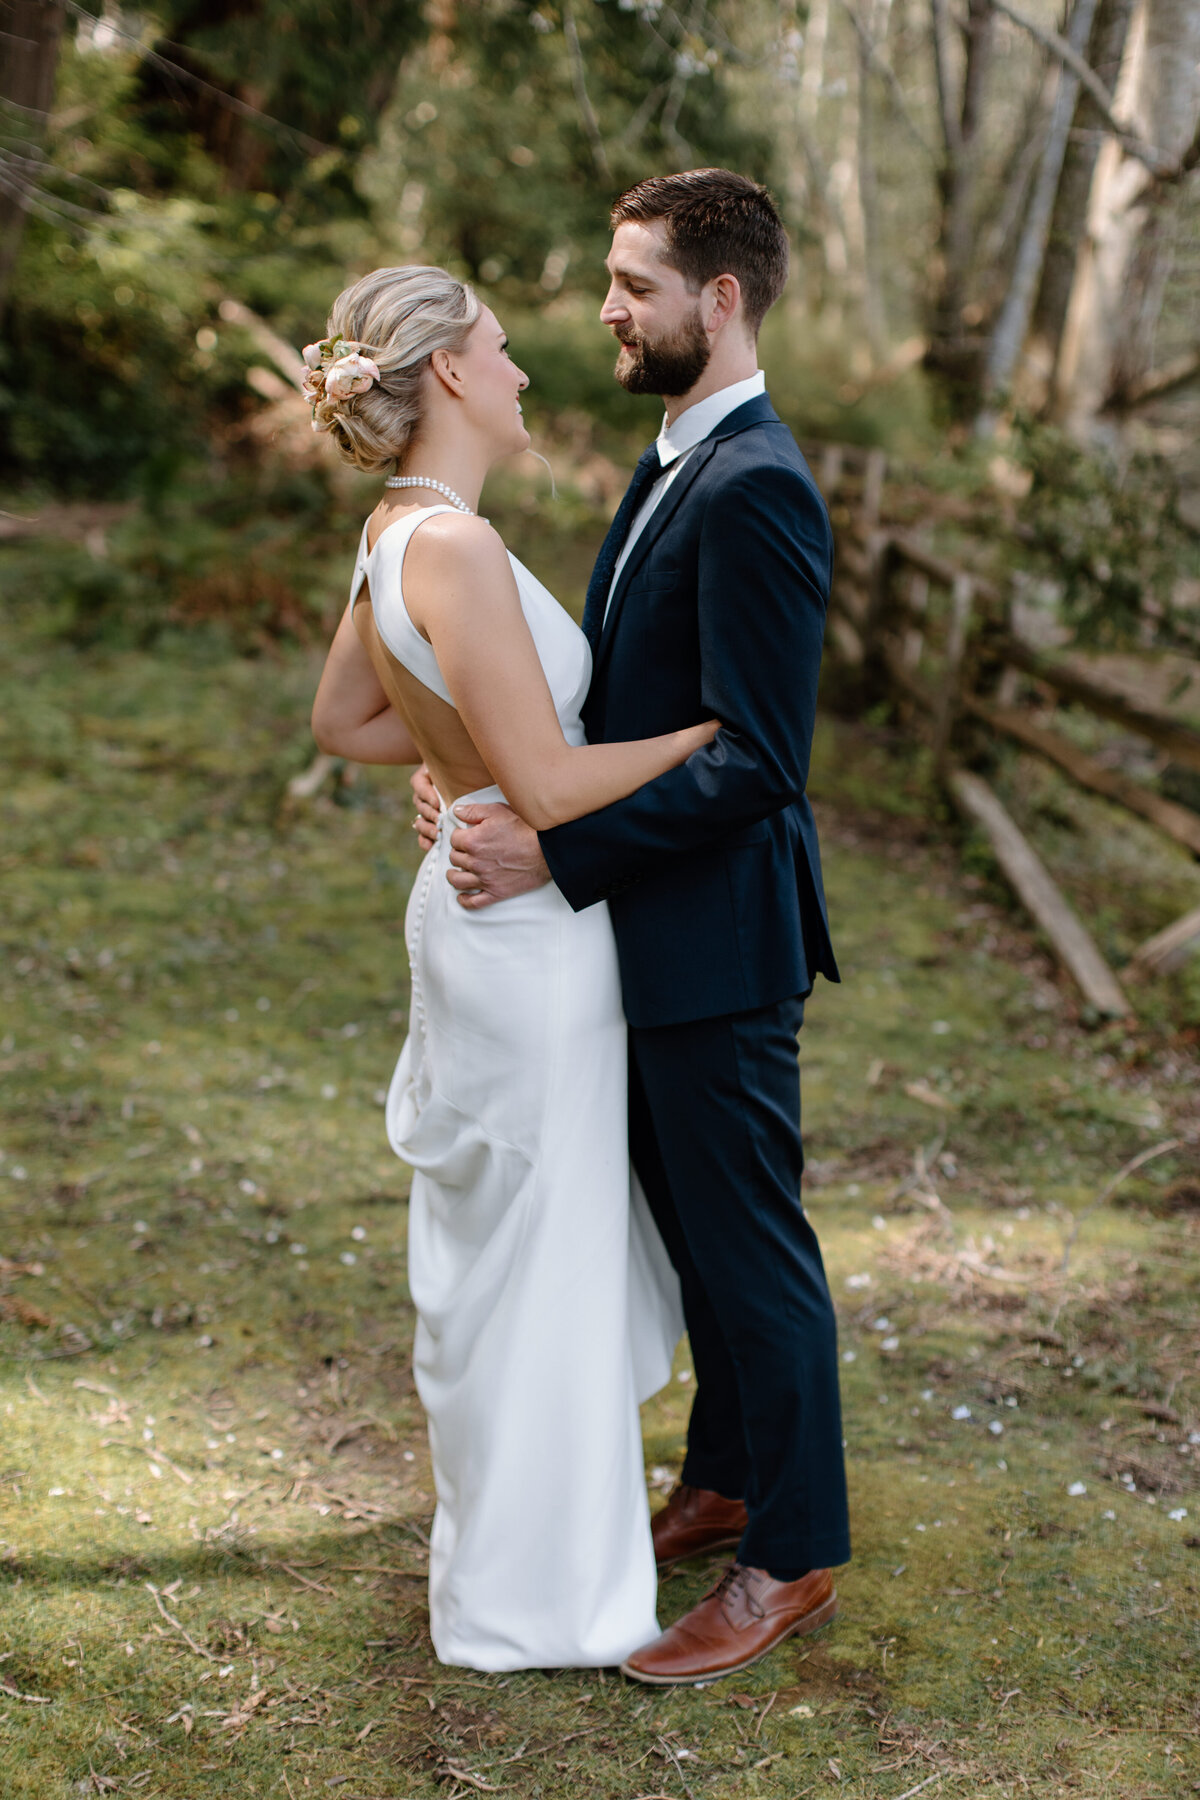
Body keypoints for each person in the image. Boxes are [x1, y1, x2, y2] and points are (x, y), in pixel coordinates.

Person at [412, 169, 851, 1687]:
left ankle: (791, 1554)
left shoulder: (759, 483)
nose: (607, 305)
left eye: (635, 282)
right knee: (694, 1231)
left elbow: (756, 758)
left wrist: (557, 846)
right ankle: (726, 1478)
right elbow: (612, 702)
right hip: (644, 935)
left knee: (753, 1244)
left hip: (719, 938)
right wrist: (473, 780)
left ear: (718, 299)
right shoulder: (673, 455)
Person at [308, 263, 706, 1672]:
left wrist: (447, 771)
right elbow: (543, 776)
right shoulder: (460, 550)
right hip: (525, 938)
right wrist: (707, 742)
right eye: (499, 346)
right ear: (455, 378)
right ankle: (543, 1603)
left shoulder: (399, 529)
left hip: (473, 911)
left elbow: (345, 717)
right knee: (544, 1254)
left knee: (512, 1246)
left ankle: (516, 1576)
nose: (526, 366)